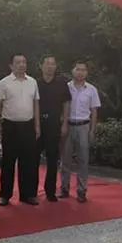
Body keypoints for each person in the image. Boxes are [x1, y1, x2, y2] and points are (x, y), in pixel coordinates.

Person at [0, 53, 41, 206]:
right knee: (8, 162)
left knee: (28, 162)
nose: (22, 65)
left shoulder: (32, 82)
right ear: (11, 65)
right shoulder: (4, 83)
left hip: (28, 126)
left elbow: (36, 104)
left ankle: (28, 195)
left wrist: (37, 126)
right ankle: (5, 195)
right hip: (10, 126)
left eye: (24, 62)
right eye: (18, 62)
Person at [60, 60, 101, 203]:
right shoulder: (66, 88)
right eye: (78, 69)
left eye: (83, 70)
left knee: (83, 160)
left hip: (84, 126)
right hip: (68, 125)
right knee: (65, 159)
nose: (80, 72)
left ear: (87, 72)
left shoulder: (92, 89)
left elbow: (94, 111)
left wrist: (92, 130)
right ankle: (64, 188)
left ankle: (82, 190)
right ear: (73, 71)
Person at [35, 55, 71, 202]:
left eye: (52, 64)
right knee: (33, 159)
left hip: (54, 124)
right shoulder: (35, 83)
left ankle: (50, 191)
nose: (50, 66)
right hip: (37, 125)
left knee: (52, 159)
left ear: (56, 67)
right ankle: (31, 191)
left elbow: (66, 103)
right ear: (41, 66)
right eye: (47, 64)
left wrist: (65, 123)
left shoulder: (62, 83)